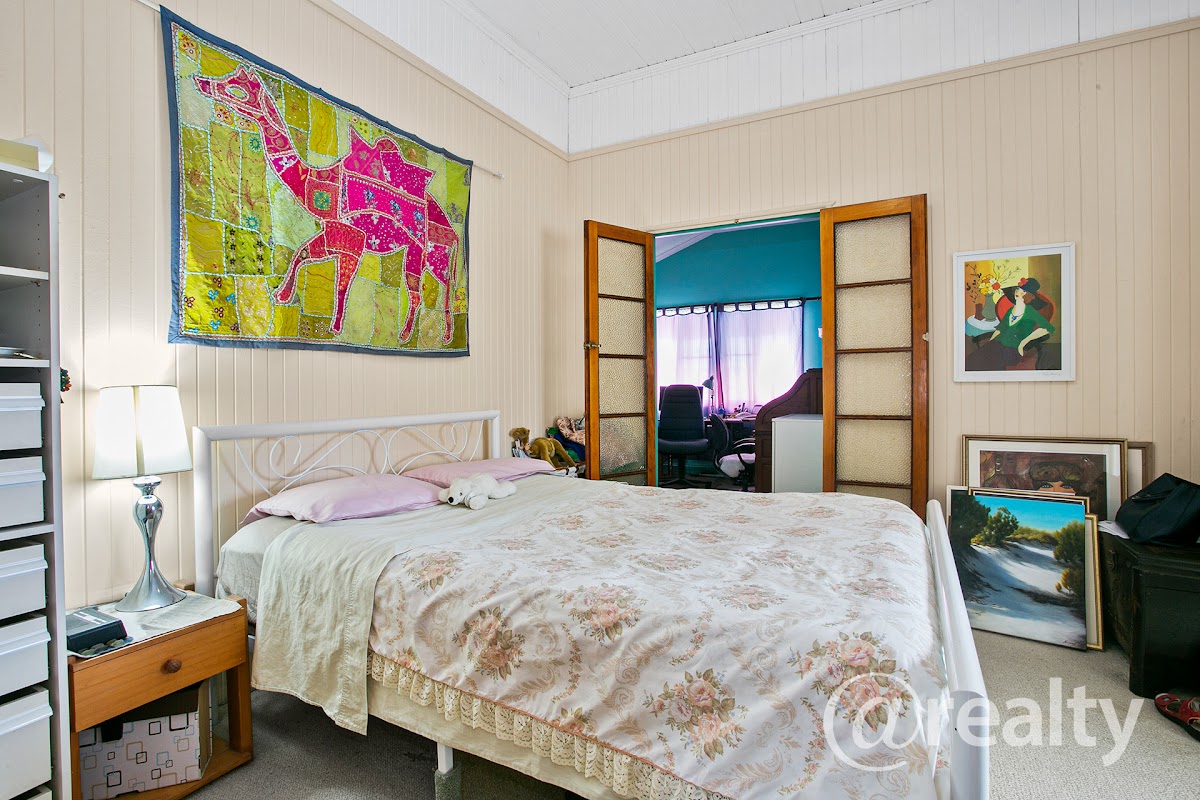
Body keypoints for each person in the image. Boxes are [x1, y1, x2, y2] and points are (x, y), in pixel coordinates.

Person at [965, 277, 1054, 371]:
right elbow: (1000, 329)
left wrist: (1024, 342)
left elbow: (1047, 328)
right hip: (998, 344)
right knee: (973, 360)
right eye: (1018, 289)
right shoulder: (1011, 310)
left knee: (987, 364)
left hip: (1012, 349)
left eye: (1023, 291)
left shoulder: (1030, 312)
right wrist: (989, 344)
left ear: (1029, 295)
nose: (1018, 292)